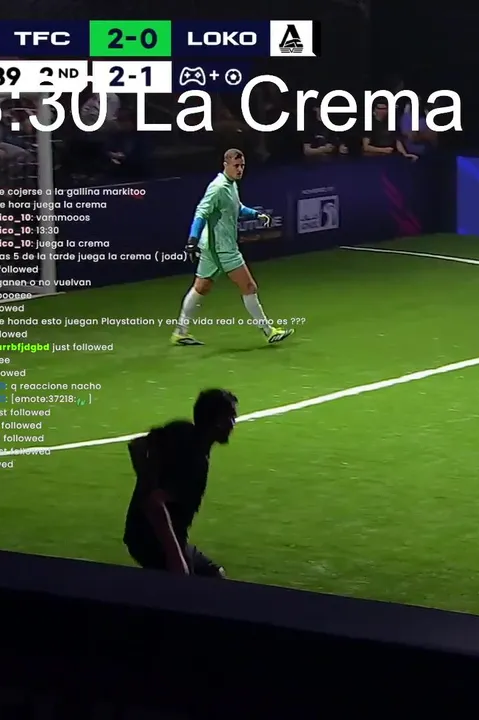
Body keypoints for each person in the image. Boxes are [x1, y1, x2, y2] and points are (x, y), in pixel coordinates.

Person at [173, 149, 293, 346]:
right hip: (222, 248)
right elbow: (201, 213)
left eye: (242, 166)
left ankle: (180, 332)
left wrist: (256, 214)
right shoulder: (218, 188)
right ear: (225, 165)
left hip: (212, 247)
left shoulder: (231, 185)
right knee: (249, 286)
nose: (239, 170)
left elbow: (237, 208)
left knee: (201, 287)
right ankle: (268, 331)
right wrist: (191, 240)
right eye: (236, 166)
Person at [123, 389, 239, 576]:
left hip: (139, 532)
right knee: (191, 585)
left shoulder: (181, 430)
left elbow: (138, 446)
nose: (234, 423)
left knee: (213, 575)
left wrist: (147, 481)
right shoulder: (194, 461)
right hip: (155, 540)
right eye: (230, 417)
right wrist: (175, 556)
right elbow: (155, 504)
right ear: (215, 420)